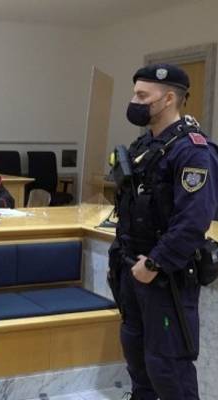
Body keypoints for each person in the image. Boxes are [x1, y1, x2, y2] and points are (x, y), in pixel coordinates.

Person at [108, 63, 218, 400]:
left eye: (143, 96)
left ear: (169, 98)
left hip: (164, 277)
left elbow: (193, 221)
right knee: (137, 358)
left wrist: (155, 264)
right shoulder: (144, 145)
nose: (135, 102)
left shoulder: (193, 150)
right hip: (131, 270)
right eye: (135, 94)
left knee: (167, 367)